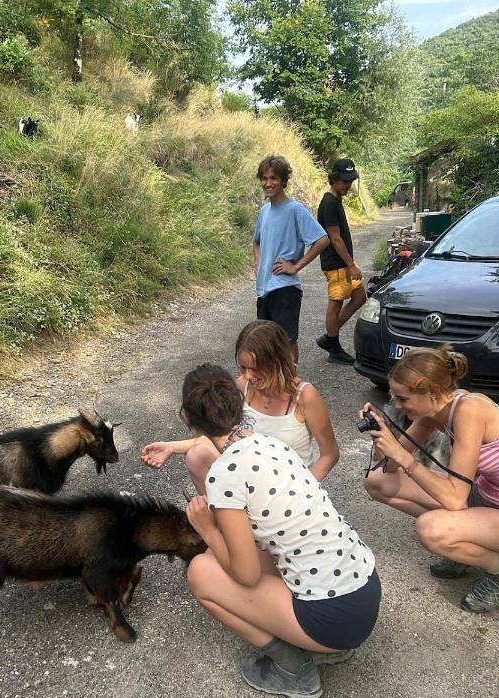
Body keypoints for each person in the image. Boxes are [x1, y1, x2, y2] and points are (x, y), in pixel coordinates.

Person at [179, 364, 381, 698]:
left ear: (189, 418)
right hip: (365, 590)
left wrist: (208, 529)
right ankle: (329, 648)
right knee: (224, 557)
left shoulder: (225, 474)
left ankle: (294, 670)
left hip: (333, 617)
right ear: (238, 400)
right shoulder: (272, 446)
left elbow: (245, 575)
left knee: (201, 571)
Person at [362, 344, 499, 612]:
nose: (397, 405)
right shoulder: (432, 410)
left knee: (431, 530)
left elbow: (455, 500)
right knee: (376, 482)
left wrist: (402, 456)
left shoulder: (469, 410)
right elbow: (386, 468)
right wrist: (383, 432)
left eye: (403, 399)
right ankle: (470, 544)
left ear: (431, 393)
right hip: (486, 496)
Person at [141, 320, 339, 492]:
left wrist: (303, 491)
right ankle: (222, 524)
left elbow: (329, 455)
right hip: (249, 478)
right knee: (197, 455)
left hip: (290, 485)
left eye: (256, 369)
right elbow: (220, 437)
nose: (247, 376)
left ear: (278, 361)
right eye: (243, 367)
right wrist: (172, 447)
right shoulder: (242, 387)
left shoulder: (305, 396)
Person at [253, 156, 330, 363]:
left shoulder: (295, 209)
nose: (268, 183)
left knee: (287, 341)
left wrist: (296, 266)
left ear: (283, 180)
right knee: (266, 344)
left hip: (285, 289)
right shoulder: (264, 210)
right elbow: (256, 242)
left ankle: (290, 387)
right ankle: (273, 387)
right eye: (264, 178)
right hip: (264, 289)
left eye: (273, 178)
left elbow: (322, 239)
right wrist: (259, 266)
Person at [316, 158, 368, 365]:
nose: (347, 185)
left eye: (350, 181)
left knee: (359, 297)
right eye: (344, 182)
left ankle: (329, 337)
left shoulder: (336, 200)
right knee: (336, 303)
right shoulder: (328, 202)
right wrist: (351, 264)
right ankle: (334, 347)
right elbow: (334, 238)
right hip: (336, 264)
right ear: (335, 179)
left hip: (344, 263)